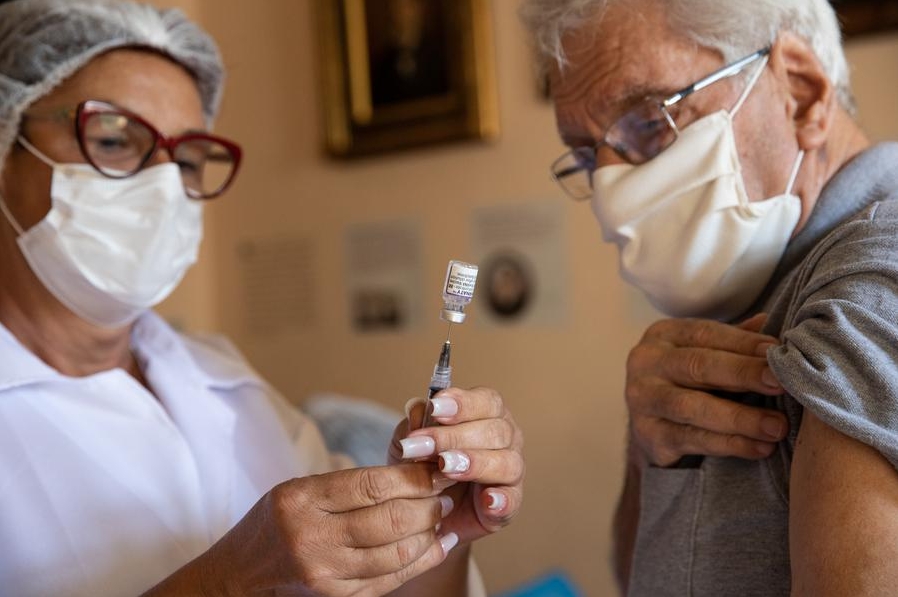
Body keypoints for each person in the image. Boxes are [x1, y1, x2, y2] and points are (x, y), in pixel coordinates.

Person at [0, 1, 524, 595]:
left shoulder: (222, 378)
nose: (164, 187)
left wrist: (436, 529)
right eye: (114, 139)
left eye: (190, 159)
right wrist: (229, 580)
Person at [522, 0, 898, 595]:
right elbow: (641, 575)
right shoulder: (768, 285)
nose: (611, 195)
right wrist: (647, 448)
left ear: (801, 94)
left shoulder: (874, 286)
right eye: (590, 156)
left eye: (650, 122)